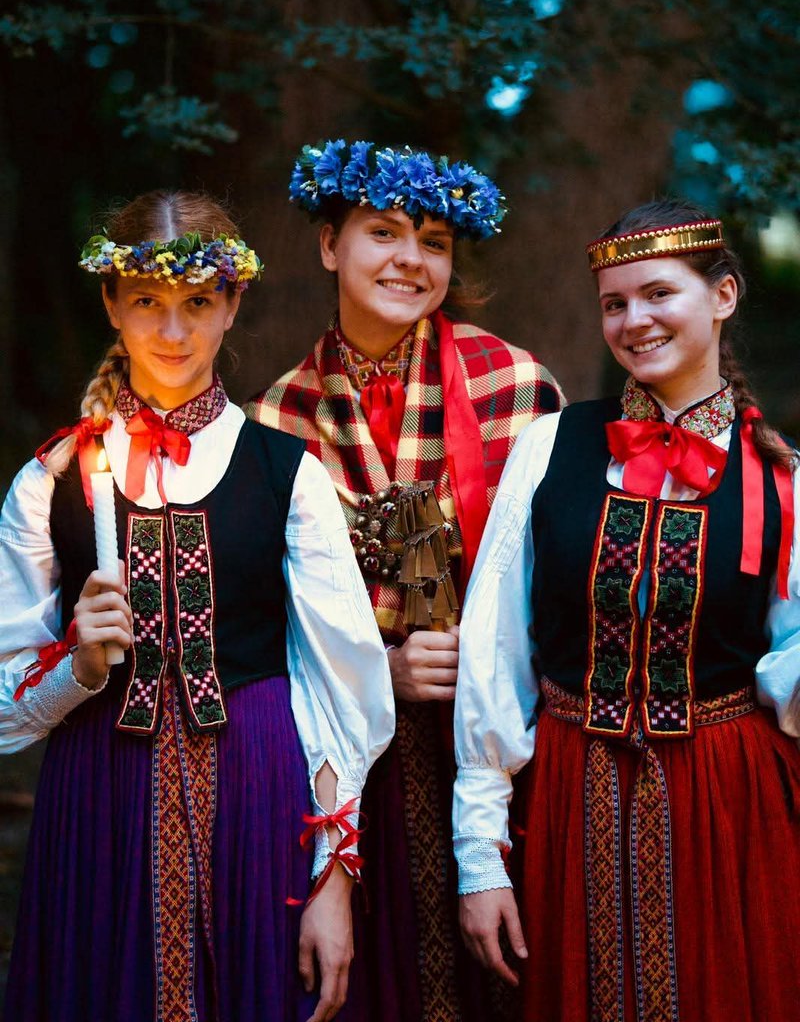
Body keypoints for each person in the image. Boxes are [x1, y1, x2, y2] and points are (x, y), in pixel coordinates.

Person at [0, 190, 395, 1022]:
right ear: (111, 302)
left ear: (232, 302)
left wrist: (332, 879)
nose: (173, 331)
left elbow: (341, 692)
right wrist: (79, 667)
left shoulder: (288, 474)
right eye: (147, 301)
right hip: (98, 801)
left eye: (198, 303)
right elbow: (4, 716)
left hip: (258, 796)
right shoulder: (50, 480)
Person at [454, 199, 800, 1022]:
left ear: (723, 296)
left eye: (658, 294)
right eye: (614, 303)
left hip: (728, 804)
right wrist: (481, 856)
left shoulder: (783, 476)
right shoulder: (551, 446)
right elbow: (494, 654)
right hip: (572, 794)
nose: (633, 320)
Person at [247, 140, 564, 1022]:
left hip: (501, 747)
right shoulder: (276, 419)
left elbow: (560, 575)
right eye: (383, 232)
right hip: (352, 760)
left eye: (434, 241)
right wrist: (378, 671)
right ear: (328, 244)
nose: (410, 260)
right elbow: (266, 628)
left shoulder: (517, 386)